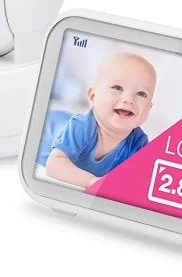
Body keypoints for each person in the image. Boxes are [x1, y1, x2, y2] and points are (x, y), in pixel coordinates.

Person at [45, 52, 157, 187]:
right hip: (47, 127)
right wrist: (91, 181)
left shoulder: (138, 143)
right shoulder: (82, 127)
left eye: (141, 94)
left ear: (148, 109)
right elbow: (53, 165)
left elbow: (140, 180)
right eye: (117, 88)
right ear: (93, 97)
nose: (128, 99)